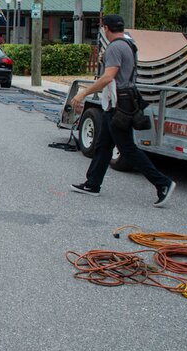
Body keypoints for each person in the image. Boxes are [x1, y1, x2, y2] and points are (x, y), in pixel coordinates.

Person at [69, 14, 176, 207]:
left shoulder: (115, 47)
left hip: (119, 105)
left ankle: (163, 183)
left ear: (106, 28)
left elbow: (108, 77)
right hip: (122, 102)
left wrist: (82, 94)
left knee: (128, 148)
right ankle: (92, 184)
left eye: (103, 28)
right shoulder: (129, 44)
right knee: (103, 146)